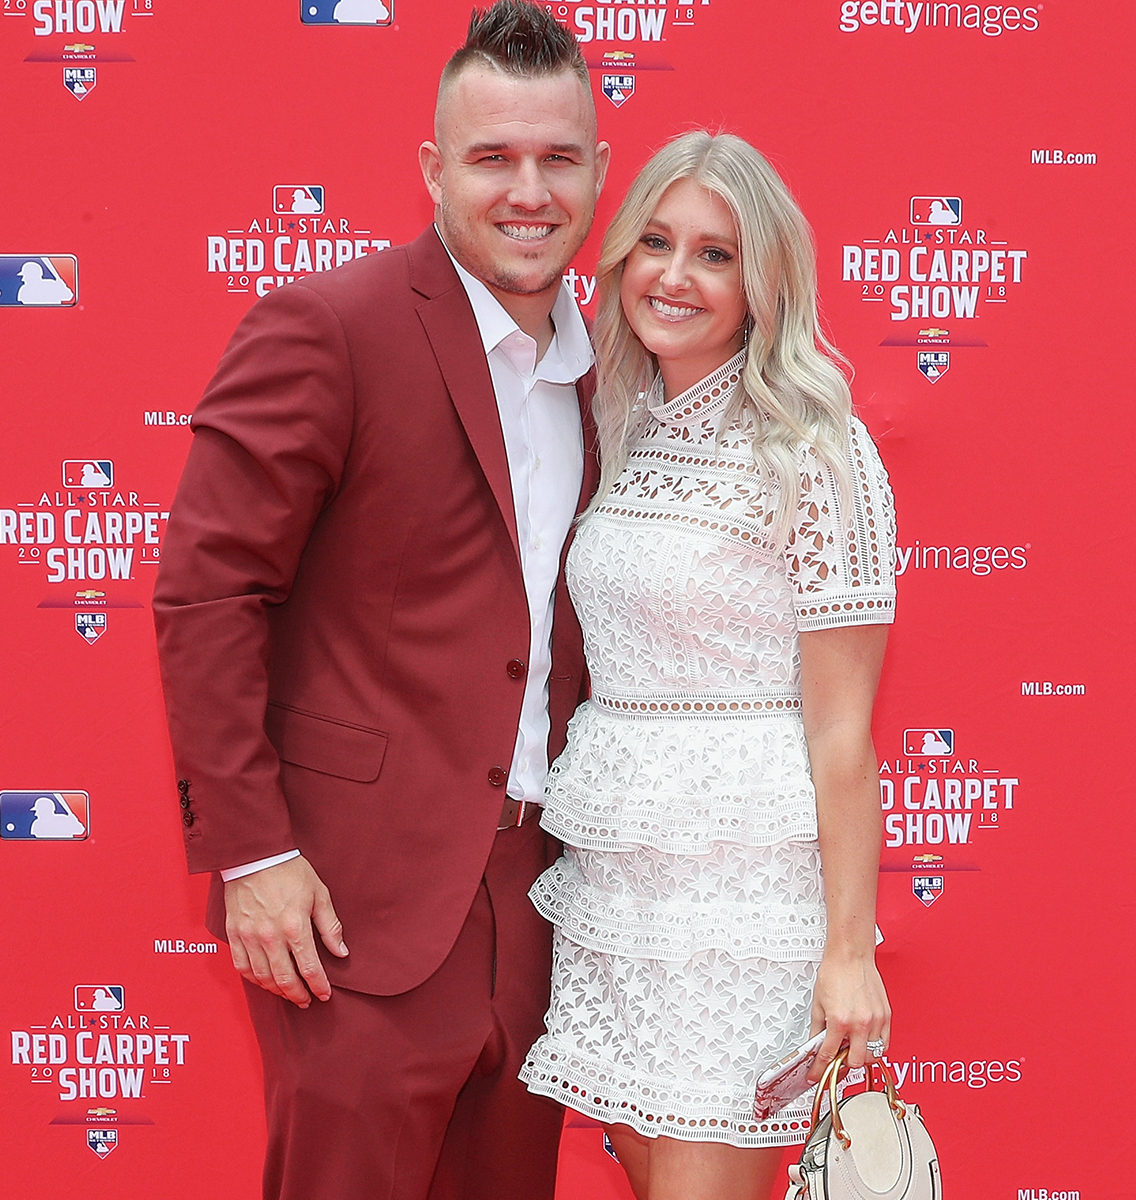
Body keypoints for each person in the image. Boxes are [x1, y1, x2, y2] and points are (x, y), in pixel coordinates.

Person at [152, 5, 609, 1199]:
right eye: (492, 157)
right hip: (352, 911)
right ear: (433, 169)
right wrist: (254, 852)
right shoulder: (331, 326)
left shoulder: (611, 374)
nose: (528, 191)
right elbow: (209, 592)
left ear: (599, 172)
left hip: (538, 907)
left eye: (558, 158)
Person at [519, 132, 896, 1200]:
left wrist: (850, 953)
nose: (674, 277)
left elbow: (841, 735)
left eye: (715, 255)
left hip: (744, 900)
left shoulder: (820, 452)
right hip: (620, 888)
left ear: (762, 280)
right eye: (656, 242)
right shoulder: (611, 425)